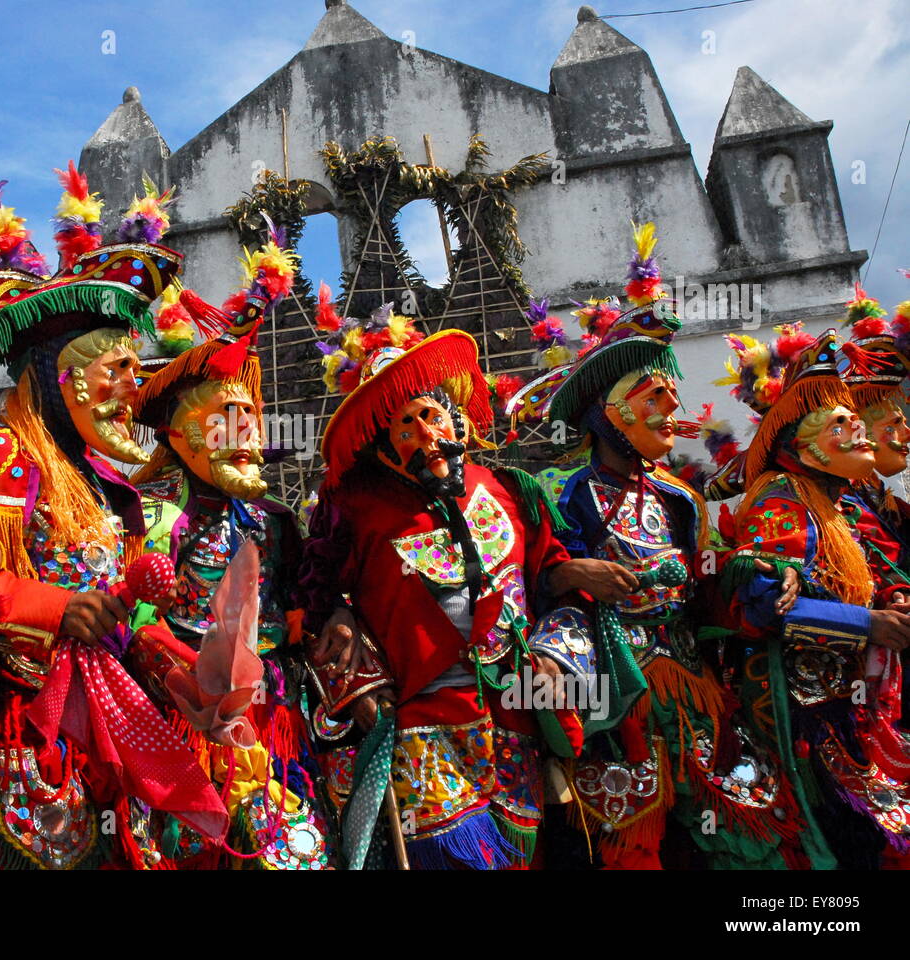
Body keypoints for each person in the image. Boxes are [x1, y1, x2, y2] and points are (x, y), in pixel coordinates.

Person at [0, 164, 227, 869]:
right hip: (12, 728)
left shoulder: (111, 487)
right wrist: (45, 604)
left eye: (137, 373)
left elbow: (123, 615)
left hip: (110, 734)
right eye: (116, 371)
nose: (131, 394)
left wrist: (175, 660)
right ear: (53, 374)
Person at [511, 223, 801, 868]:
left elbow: (704, 588)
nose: (674, 410)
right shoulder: (560, 490)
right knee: (629, 845)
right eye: (655, 396)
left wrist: (760, 573)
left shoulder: (681, 498)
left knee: (732, 843)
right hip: (613, 687)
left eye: (674, 395)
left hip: (691, 687)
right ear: (609, 412)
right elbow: (531, 582)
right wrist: (565, 582)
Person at [296, 303, 610, 869]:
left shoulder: (508, 487)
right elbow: (315, 603)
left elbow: (552, 582)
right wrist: (354, 671)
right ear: (381, 444)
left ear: (456, 417)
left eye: (433, 417)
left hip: (516, 708)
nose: (427, 435)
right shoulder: (353, 508)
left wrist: (559, 654)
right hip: (421, 720)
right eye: (406, 426)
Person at [130, 236, 331, 868]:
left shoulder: (277, 521)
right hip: (175, 722)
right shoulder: (152, 515)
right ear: (178, 434)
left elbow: (307, 609)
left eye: (251, 418)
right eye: (225, 421)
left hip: (276, 720)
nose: (246, 434)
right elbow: (132, 622)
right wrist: (180, 673)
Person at [723, 320, 910, 868]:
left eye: (857, 419)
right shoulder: (781, 500)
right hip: (803, 715)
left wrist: (890, 603)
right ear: (804, 448)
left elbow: (868, 576)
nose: (859, 431)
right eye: (842, 422)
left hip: (848, 705)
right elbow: (764, 606)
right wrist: (867, 624)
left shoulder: (835, 505)